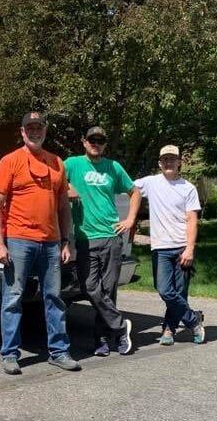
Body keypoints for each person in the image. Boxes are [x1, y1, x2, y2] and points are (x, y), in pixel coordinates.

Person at [0, 111, 81, 375]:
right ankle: (9, 354)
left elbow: (63, 207)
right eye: (29, 128)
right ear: (22, 132)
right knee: (13, 298)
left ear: (45, 130)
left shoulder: (56, 163)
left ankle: (59, 352)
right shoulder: (10, 161)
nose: (34, 131)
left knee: (54, 298)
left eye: (39, 127)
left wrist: (66, 241)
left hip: (51, 243)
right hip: (18, 241)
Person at [64, 126, 141, 357]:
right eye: (91, 140)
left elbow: (134, 192)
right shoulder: (72, 164)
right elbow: (54, 182)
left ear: (104, 144)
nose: (95, 143)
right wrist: (68, 188)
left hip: (111, 237)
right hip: (84, 237)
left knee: (108, 291)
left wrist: (130, 219)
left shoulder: (113, 167)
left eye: (100, 140)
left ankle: (103, 341)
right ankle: (120, 327)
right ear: (84, 142)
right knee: (90, 288)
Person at [134, 145, 205, 345]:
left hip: (182, 247)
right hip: (161, 248)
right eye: (165, 159)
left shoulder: (188, 188)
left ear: (179, 162)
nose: (168, 162)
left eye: (172, 159)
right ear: (159, 163)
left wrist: (190, 248)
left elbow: (192, 220)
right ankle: (193, 320)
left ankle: (168, 330)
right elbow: (125, 187)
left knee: (179, 292)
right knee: (165, 290)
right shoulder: (150, 183)